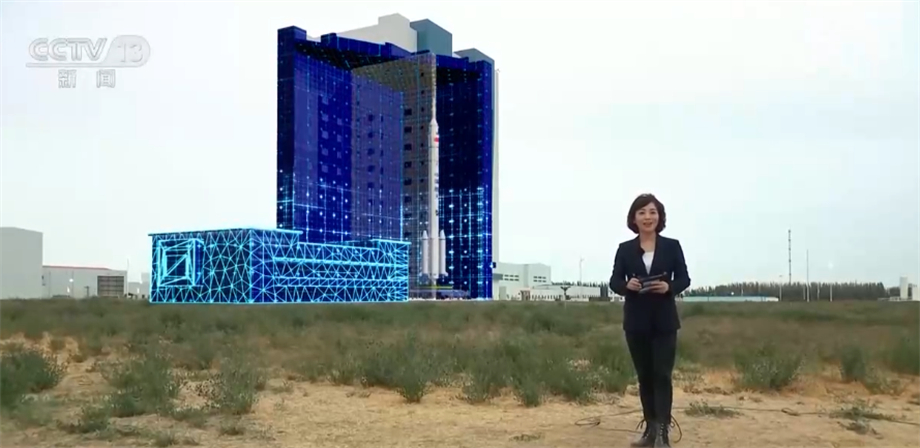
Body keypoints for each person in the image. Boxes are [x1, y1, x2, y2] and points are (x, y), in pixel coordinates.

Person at [609, 193, 690, 448]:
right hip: (636, 322)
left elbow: (684, 279)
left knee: (662, 375)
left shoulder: (672, 246)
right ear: (634, 218)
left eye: (653, 212)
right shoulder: (624, 249)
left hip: (664, 321)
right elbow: (614, 281)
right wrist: (627, 286)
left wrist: (669, 287)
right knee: (645, 376)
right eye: (642, 212)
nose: (648, 217)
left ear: (660, 217)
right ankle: (650, 430)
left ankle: (663, 432)